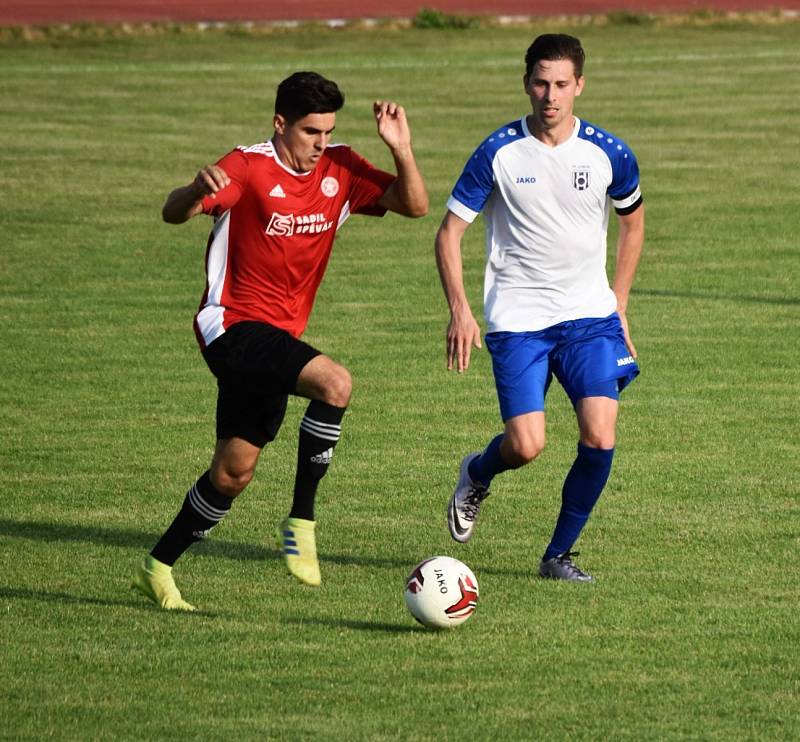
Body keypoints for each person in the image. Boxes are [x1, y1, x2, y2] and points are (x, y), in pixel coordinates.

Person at [132, 71, 428, 610]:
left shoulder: (341, 166)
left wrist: (403, 151)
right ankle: (301, 522)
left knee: (232, 473)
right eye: (311, 131)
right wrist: (195, 191)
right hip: (230, 326)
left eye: (328, 131)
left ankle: (157, 566)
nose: (321, 144)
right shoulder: (247, 166)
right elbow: (172, 213)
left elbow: (414, 205)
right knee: (335, 383)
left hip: (276, 339)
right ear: (279, 124)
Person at [436, 34, 644, 582]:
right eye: (539, 83)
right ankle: (477, 472)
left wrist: (618, 302)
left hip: (588, 318)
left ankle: (558, 556)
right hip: (519, 320)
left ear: (579, 85)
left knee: (600, 435)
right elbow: (449, 233)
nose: (549, 96)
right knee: (526, 446)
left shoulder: (609, 152)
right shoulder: (498, 152)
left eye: (560, 85)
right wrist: (461, 309)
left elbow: (633, 220)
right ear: (525, 82)